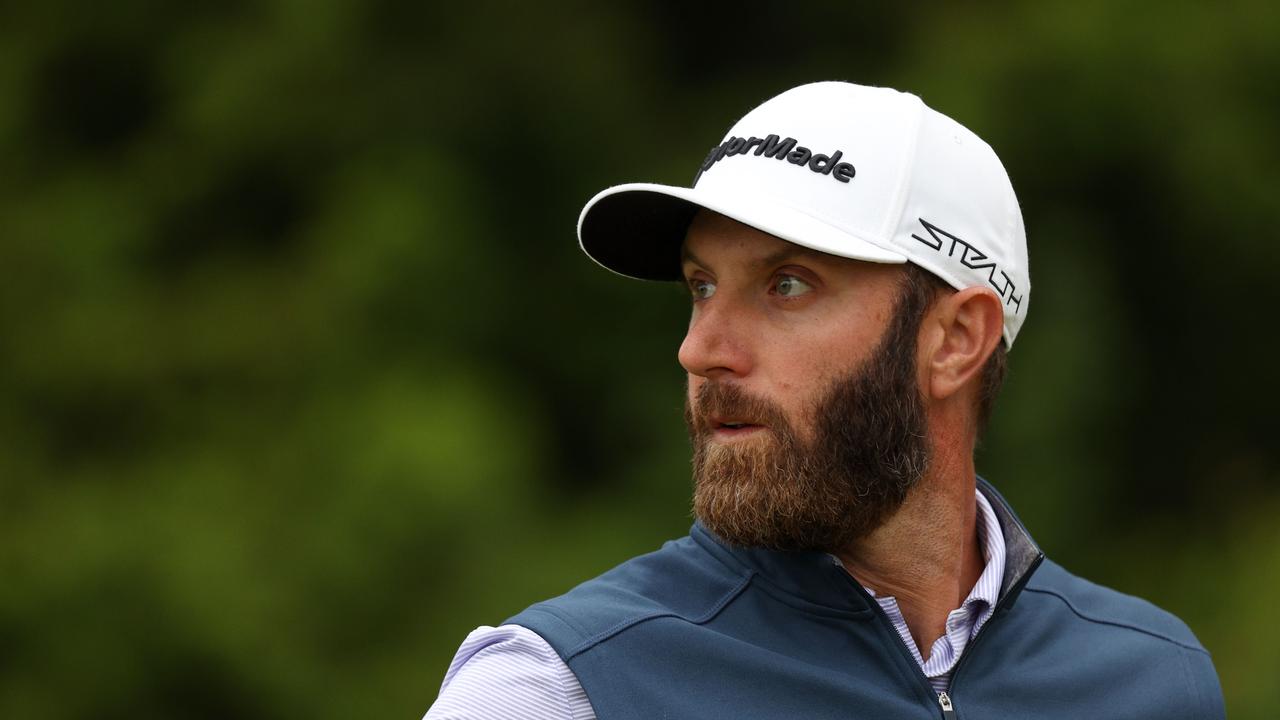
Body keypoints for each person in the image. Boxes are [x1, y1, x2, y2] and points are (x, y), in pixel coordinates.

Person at [424, 81, 1225, 719]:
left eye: (787, 285)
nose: (699, 349)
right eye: (701, 286)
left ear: (954, 341)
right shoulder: (555, 691)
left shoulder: (1155, 682)